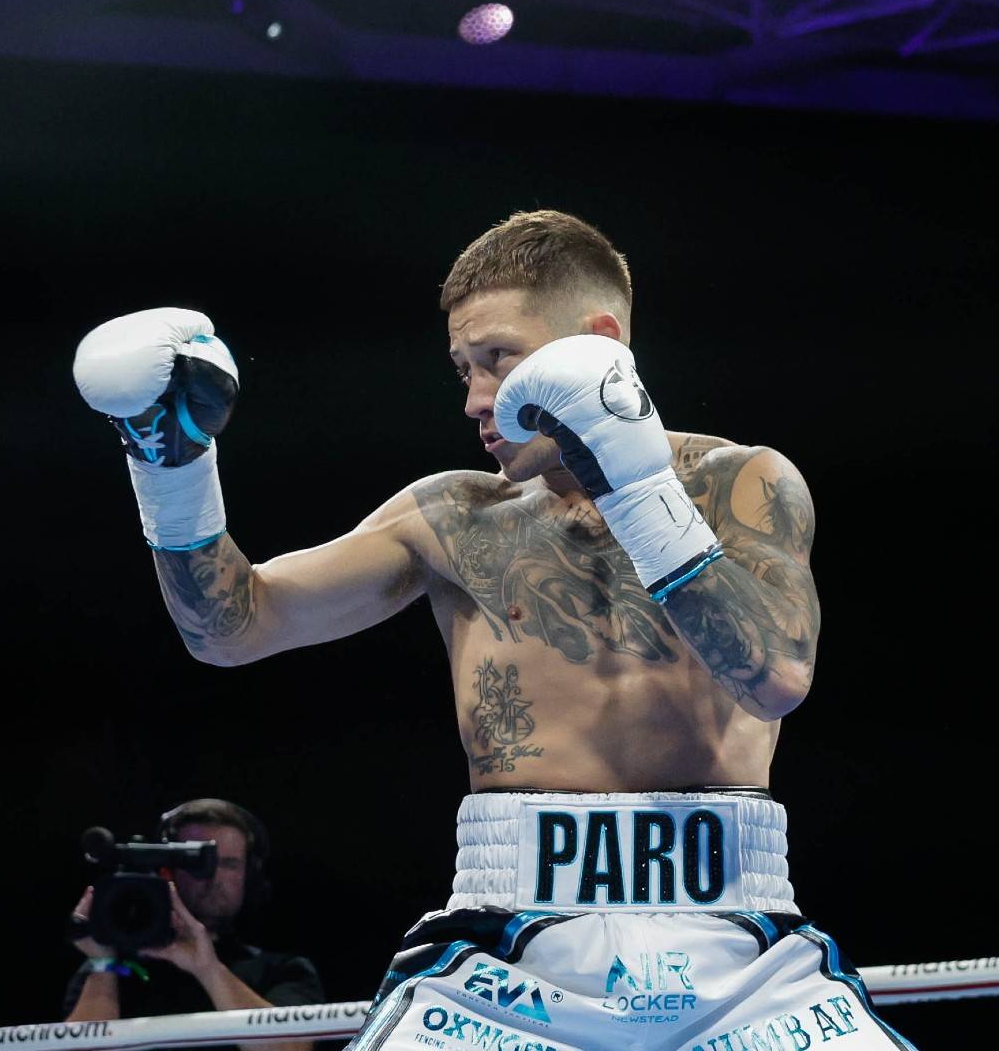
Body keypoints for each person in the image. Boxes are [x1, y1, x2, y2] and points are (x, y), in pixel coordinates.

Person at [71, 211, 911, 1050]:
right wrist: (170, 463)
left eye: (499, 360)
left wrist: (632, 478)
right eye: (463, 369)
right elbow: (231, 628)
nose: (476, 399)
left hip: (737, 942)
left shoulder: (740, 481)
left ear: (599, 344)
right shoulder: (456, 518)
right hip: (507, 952)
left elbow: (776, 677)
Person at [64, 799, 323, 1051]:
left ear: (250, 876)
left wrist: (207, 968)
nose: (214, 876)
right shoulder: (111, 969)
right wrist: (103, 964)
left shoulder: (284, 970)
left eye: (229, 864)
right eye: (196, 861)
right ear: (167, 871)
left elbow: (290, 1048)